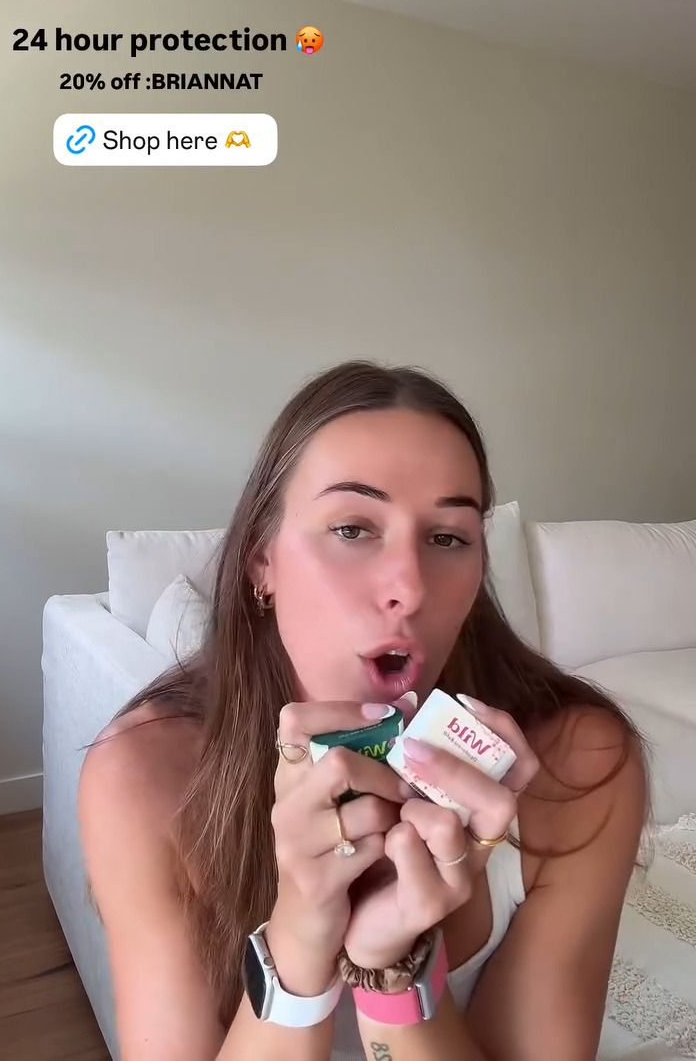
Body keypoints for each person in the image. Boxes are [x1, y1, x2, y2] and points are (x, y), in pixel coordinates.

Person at [78, 359, 649, 1060]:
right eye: (352, 529)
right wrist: (300, 934)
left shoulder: (576, 766)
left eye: (447, 537)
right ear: (261, 562)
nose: (410, 587)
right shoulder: (143, 776)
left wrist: (391, 968)